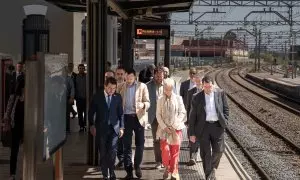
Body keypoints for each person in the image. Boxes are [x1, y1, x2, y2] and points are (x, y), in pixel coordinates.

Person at [189, 75, 229, 180]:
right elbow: (192, 116)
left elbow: (226, 109)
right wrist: (191, 133)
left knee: (219, 151)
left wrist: (225, 121)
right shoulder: (197, 97)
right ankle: (209, 176)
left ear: (213, 85)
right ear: (202, 86)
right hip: (203, 128)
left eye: (209, 86)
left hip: (217, 126)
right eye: (205, 87)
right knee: (205, 153)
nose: (208, 89)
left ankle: (211, 168)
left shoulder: (220, 93)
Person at [88, 77, 124, 180]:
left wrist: (122, 127)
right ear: (105, 86)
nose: (111, 91)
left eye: (114, 88)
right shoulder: (97, 97)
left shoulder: (118, 97)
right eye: (109, 88)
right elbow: (91, 112)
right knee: (103, 152)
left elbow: (120, 114)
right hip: (101, 129)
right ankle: (105, 175)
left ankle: (112, 173)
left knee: (112, 151)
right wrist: (91, 125)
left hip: (114, 129)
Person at [117, 68, 150, 179]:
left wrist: (143, 105)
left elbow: (148, 102)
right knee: (126, 146)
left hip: (138, 118)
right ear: (125, 76)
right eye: (128, 77)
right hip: (125, 118)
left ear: (134, 77)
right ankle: (129, 171)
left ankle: (137, 166)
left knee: (140, 144)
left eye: (131, 77)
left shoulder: (142, 86)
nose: (129, 79)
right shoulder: (120, 87)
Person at [156, 78, 186, 180]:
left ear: (173, 88)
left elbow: (182, 112)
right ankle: (167, 167)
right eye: (166, 89)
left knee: (175, 152)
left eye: (169, 89)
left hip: (176, 129)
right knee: (165, 151)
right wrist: (165, 127)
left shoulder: (178, 99)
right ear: (163, 88)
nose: (167, 91)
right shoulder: (160, 100)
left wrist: (174, 125)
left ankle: (174, 171)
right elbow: (158, 115)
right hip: (164, 130)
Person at [3, 71, 25, 180]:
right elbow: (7, 112)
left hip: (27, 128)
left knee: (29, 150)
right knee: (14, 150)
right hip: (15, 126)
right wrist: (6, 123)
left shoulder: (32, 98)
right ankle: (12, 174)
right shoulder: (14, 97)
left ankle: (28, 171)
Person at [146, 67, 165, 169]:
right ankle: (158, 161)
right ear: (154, 75)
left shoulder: (168, 84)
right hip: (154, 117)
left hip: (166, 117)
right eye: (157, 76)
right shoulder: (148, 86)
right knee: (156, 140)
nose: (159, 78)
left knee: (165, 139)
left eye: (161, 76)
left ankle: (165, 160)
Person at [185, 70, 204, 166]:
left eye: (199, 80)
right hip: (193, 120)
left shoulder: (206, 91)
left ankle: (200, 156)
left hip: (204, 121)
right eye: (196, 80)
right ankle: (192, 157)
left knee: (202, 140)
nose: (198, 82)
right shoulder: (190, 92)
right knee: (193, 139)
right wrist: (188, 121)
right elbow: (188, 107)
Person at [115, 66, 126, 168]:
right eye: (118, 74)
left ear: (125, 75)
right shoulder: (112, 86)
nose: (120, 76)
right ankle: (121, 158)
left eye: (121, 74)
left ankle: (124, 159)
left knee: (124, 138)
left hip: (125, 115)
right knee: (118, 139)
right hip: (114, 117)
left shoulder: (128, 86)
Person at [75, 64, 87, 132]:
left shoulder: (87, 76)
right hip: (79, 97)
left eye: (82, 68)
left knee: (86, 112)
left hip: (86, 97)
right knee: (79, 112)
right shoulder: (76, 77)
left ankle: (85, 124)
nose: (81, 69)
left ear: (84, 69)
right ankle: (81, 126)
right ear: (78, 69)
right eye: (80, 68)